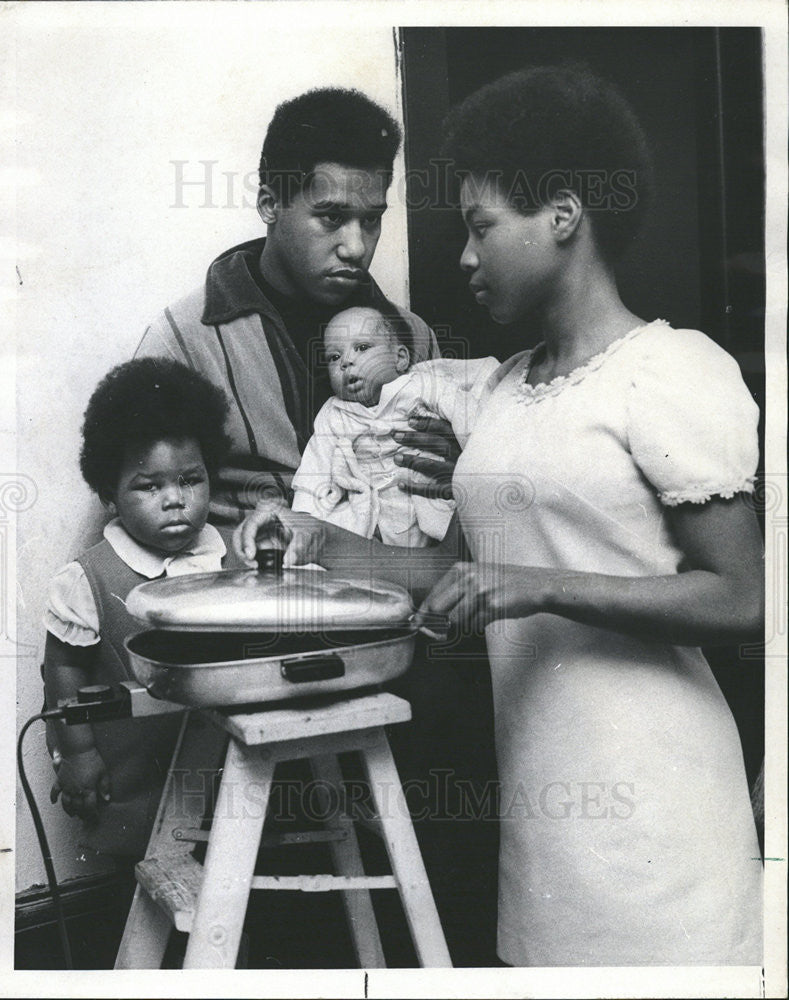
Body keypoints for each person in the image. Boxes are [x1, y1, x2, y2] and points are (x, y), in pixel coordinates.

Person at [235, 64, 764, 967]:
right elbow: (455, 579)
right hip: (540, 808)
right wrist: (315, 535)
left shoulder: (671, 372)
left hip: (659, 805)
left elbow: (741, 598)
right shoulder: (500, 391)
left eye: (481, 229)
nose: (465, 259)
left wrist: (534, 586)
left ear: (563, 215)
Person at [133, 87, 456, 529]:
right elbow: (139, 502)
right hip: (244, 583)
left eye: (372, 219)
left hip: (390, 584)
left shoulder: (413, 337)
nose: (356, 246)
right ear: (270, 204)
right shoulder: (185, 339)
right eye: (331, 218)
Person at [43, 357, 233, 858]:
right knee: (148, 871)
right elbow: (62, 667)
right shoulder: (89, 578)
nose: (175, 500)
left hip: (232, 770)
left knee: (231, 860)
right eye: (150, 486)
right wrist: (77, 753)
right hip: (136, 769)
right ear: (110, 496)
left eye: (190, 480)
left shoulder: (233, 555)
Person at [291, 303, 499, 545]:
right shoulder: (333, 412)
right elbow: (314, 467)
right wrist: (302, 518)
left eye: (362, 348)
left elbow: (469, 421)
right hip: (368, 517)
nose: (346, 362)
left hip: (428, 507)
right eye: (334, 357)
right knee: (339, 541)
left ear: (400, 358)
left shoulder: (423, 386)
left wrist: (481, 468)